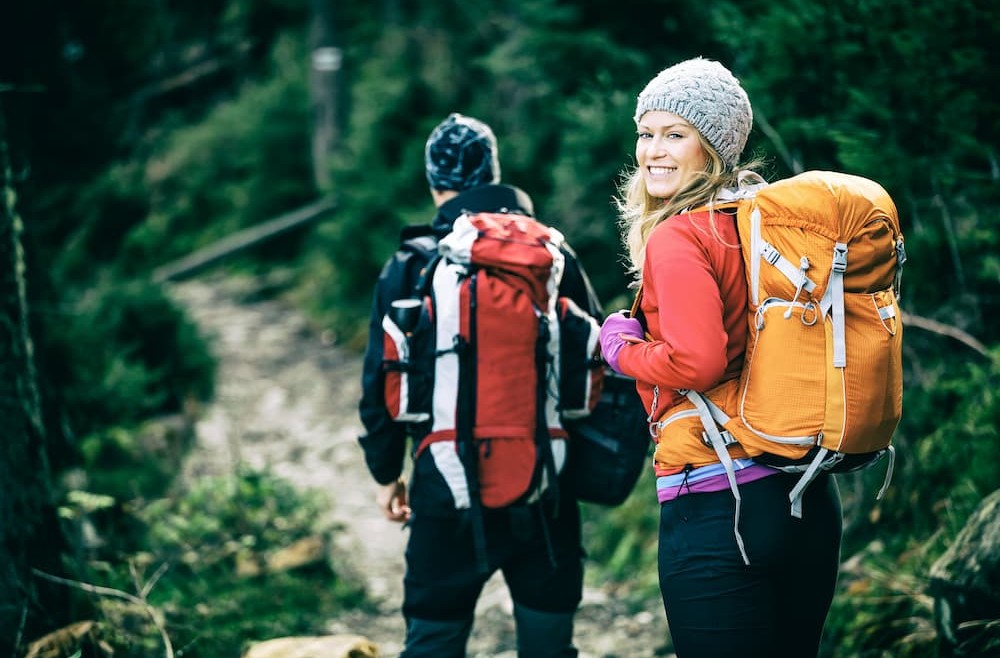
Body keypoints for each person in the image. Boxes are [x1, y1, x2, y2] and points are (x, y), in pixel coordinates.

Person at [598, 58, 843, 658]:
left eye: (675, 134)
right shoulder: (768, 227)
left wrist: (622, 350)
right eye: (646, 133)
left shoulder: (681, 236)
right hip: (807, 496)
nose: (653, 151)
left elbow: (698, 363)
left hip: (721, 504)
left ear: (713, 147)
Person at [358, 112, 602, 658]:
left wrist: (386, 473)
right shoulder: (551, 256)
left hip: (445, 483)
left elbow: (378, 382)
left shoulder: (413, 262)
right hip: (546, 483)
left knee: (434, 639)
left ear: (434, 183)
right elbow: (597, 360)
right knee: (549, 645)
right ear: (494, 173)